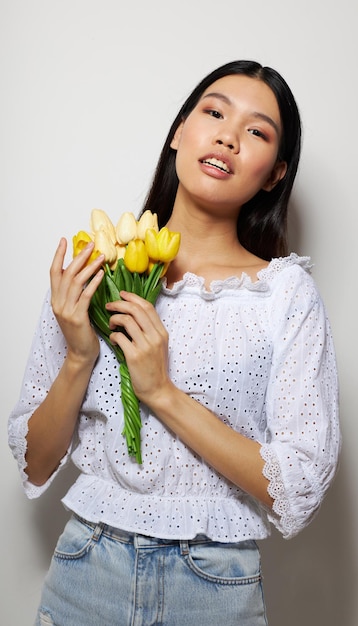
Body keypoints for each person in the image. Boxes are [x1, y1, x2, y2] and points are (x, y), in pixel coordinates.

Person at [8, 60, 340, 625]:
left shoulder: (284, 295)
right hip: (87, 570)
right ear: (178, 133)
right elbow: (35, 463)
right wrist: (80, 356)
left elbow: (298, 487)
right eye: (213, 113)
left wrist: (161, 392)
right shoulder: (99, 268)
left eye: (257, 132)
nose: (227, 136)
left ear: (274, 174)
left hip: (214, 588)